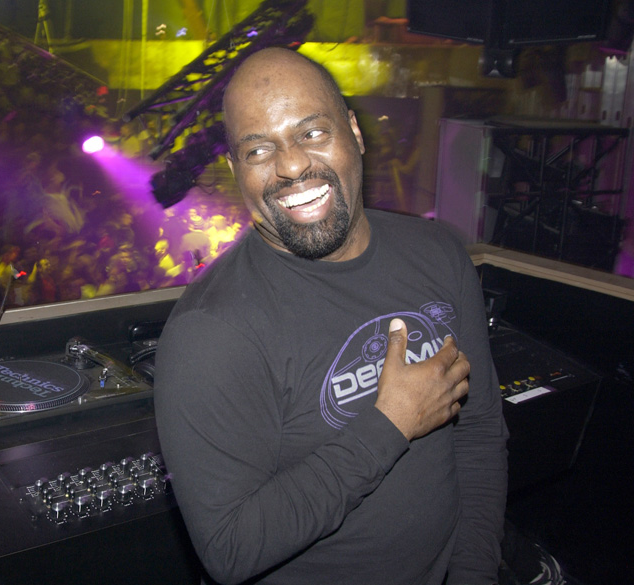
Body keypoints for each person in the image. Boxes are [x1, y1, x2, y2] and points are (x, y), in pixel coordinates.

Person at [153, 47, 508, 585]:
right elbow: (229, 549)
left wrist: (474, 575)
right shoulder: (210, 332)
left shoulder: (437, 254)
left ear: (354, 132)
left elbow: (479, 436)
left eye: (312, 133)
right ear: (235, 171)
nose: (291, 165)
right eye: (258, 150)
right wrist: (388, 424)